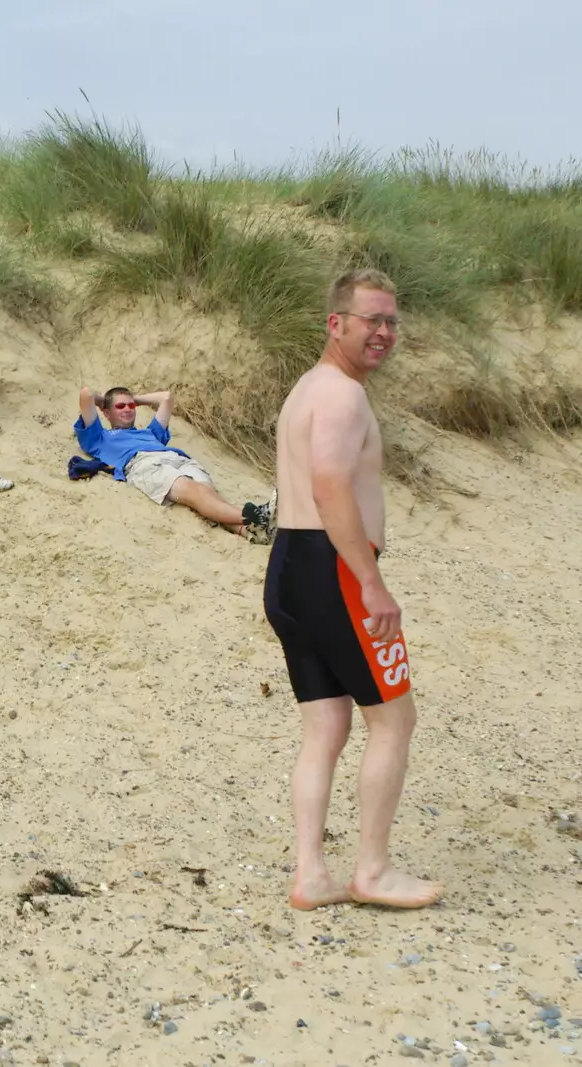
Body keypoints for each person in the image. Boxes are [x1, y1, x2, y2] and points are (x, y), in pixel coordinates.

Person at [263, 268, 444, 911]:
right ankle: (373, 869)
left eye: (392, 321)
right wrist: (372, 583)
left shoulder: (308, 389)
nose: (385, 333)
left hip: (290, 564)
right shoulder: (341, 395)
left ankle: (311, 873)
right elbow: (331, 485)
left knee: (325, 725)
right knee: (394, 719)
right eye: (372, 320)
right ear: (336, 323)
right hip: (334, 569)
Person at [74, 385, 273, 539]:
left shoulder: (151, 433)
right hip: (143, 464)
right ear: (106, 413)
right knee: (195, 492)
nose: (128, 409)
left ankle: (246, 530)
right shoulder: (99, 438)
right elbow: (86, 393)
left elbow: (166, 398)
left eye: (131, 406)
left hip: (176, 458)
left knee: (208, 493)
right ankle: (259, 515)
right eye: (120, 406)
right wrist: (104, 400)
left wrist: (133, 399)